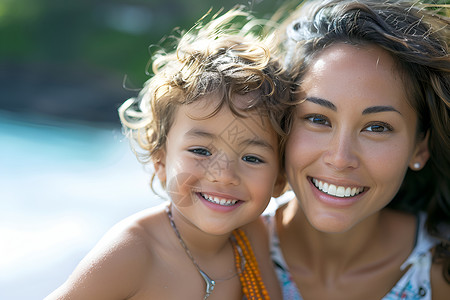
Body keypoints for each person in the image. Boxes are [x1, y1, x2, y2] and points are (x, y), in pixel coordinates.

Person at [45, 7, 292, 300]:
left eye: (252, 158)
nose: (224, 175)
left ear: (280, 178)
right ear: (160, 160)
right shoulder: (133, 251)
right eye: (201, 150)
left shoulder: (251, 239)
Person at [264, 0, 450, 299]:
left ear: (419, 147)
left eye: (377, 127)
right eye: (317, 119)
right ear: (280, 123)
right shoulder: (217, 249)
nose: (340, 158)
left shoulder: (440, 271)